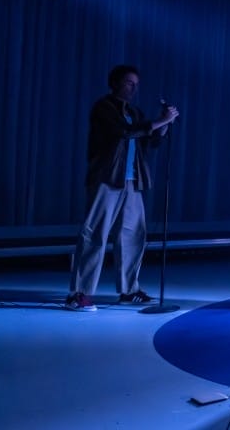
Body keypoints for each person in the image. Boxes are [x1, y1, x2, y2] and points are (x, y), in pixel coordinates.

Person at [65, 64, 179, 312]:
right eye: (129, 83)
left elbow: (150, 141)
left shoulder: (135, 112)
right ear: (115, 83)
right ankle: (79, 293)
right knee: (94, 233)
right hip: (107, 178)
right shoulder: (104, 107)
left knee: (133, 234)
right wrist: (159, 121)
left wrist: (165, 123)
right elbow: (123, 133)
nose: (134, 88)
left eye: (136, 84)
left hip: (131, 180)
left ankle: (129, 290)